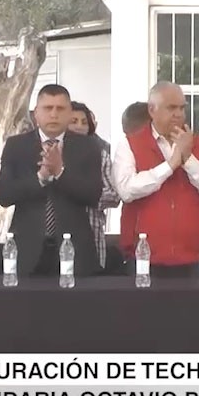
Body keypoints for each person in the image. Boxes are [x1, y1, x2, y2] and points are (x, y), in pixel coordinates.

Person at [113, 81, 199, 396]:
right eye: (171, 108)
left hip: (194, 254)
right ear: (152, 111)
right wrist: (168, 165)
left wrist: (187, 159)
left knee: (195, 334)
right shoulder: (130, 145)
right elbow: (127, 189)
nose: (179, 114)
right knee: (145, 335)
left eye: (182, 107)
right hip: (146, 256)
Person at [0, 84, 102, 289]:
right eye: (47, 108)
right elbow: (4, 195)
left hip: (74, 246)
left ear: (70, 113)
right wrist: (41, 178)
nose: (54, 114)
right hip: (27, 246)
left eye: (60, 109)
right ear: (36, 113)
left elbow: (93, 195)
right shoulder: (16, 145)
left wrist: (60, 172)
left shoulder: (88, 146)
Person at [69, 101, 121, 271]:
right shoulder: (48, 154)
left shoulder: (101, 155)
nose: (79, 127)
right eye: (73, 121)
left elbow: (113, 195)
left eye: (84, 122)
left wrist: (81, 193)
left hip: (92, 234)